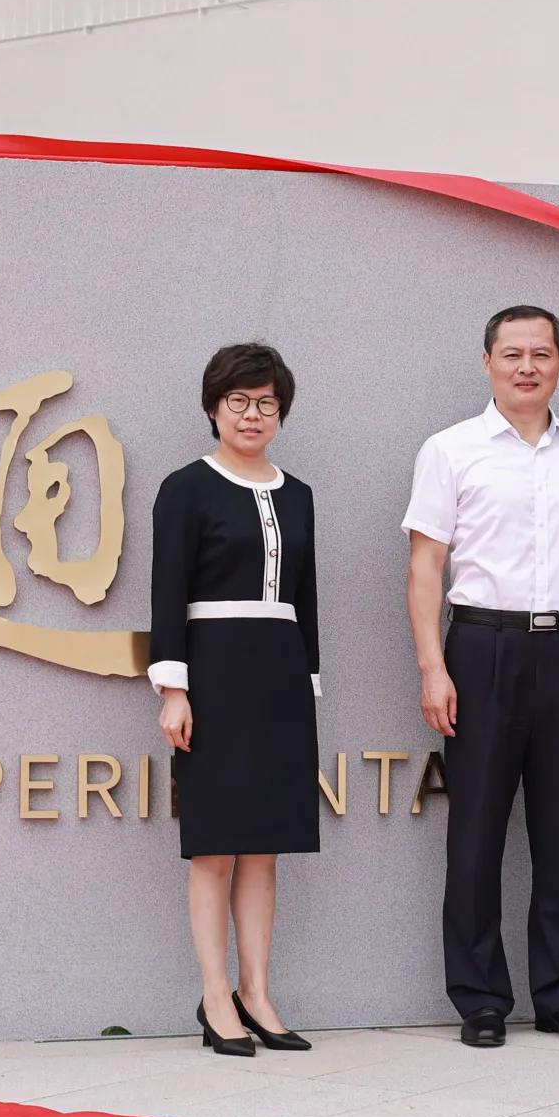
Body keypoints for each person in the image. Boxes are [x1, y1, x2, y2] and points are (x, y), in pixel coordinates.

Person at [405, 304, 559, 1048]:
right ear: (487, 362)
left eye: (541, 353)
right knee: (473, 831)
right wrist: (432, 665)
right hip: (481, 647)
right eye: (512, 353)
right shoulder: (450, 450)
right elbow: (424, 567)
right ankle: (479, 999)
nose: (527, 366)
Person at [151, 342, 323, 1057]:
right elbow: (166, 593)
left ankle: (258, 992)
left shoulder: (300, 493)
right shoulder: (186, 487)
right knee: (214, 849)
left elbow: (306, 601)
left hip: (280, 676)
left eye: (266, 404)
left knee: (264, 849)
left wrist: (309, 684)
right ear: (214, 408)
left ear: (280, 412)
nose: (252, 416)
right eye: (239, 402)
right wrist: (173, 689)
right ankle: (215, 996)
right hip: (213, 673)